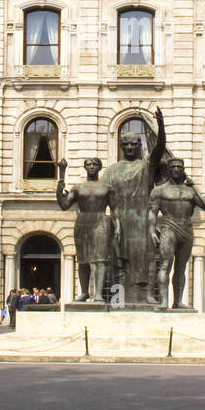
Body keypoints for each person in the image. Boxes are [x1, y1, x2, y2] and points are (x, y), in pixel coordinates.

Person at [100, 108, 167, 304]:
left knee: (146, 259)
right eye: (126, 144)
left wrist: (161, 126)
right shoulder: (112, 170)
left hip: (142, 219)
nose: (129, 147)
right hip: (119, 219)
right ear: (121, 146)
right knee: (117, 262)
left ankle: (147, 294)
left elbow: (160, 149)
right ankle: (117, 297)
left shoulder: (146, 165)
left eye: (134, 144)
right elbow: (102, 195)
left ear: (140, 146)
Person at [149, 157, 205, 308]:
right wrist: (152, 230)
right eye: (174, 167)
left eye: (180, 167)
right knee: (165, 264)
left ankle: (177, 302)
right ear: (169, 170)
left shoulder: (190, 191)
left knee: (181, 267)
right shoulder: (159, 190)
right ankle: (164, 301)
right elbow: (152, 212)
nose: (177, 169)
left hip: (187, 230)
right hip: (168, 229)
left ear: (183, 169)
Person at [56, 157, 119, 302]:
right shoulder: (78, 188)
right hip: (83, 221)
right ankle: (84, 292)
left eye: (95, 164)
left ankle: (98, 294)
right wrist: (60, 184)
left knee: (100, 259)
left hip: (101, 220)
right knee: (82, 259)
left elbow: (115, 210)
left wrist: (118, 227)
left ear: (99, 167)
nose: (92, 167)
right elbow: (64, 205)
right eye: (89, 164)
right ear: (85, 167)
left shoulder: (107, 188)